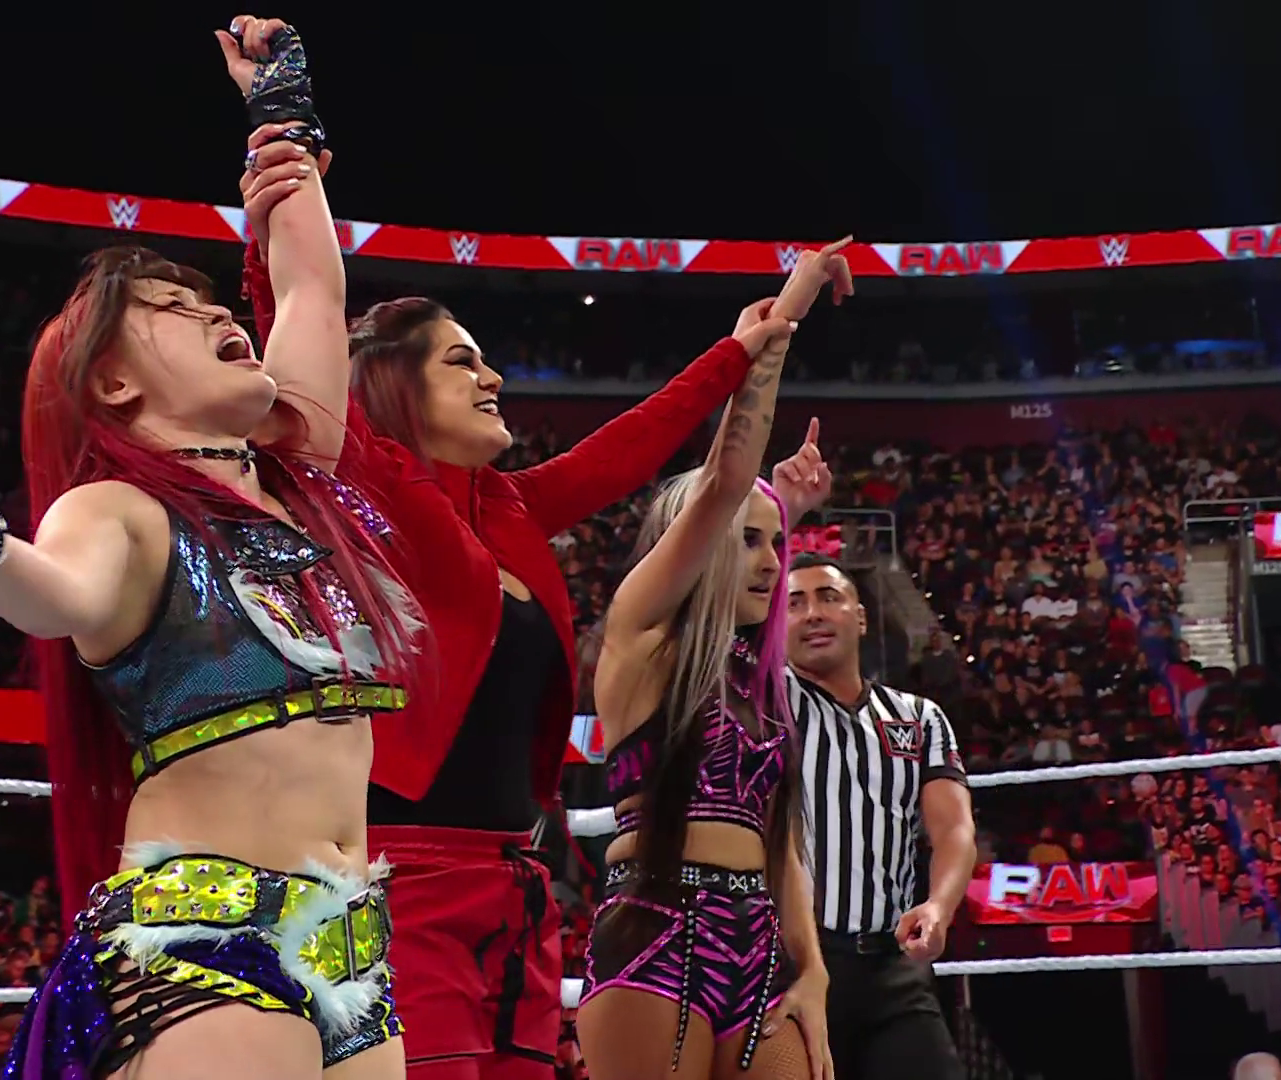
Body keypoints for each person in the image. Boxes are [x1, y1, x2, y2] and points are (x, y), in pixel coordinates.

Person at [232, 38, 851, 1076]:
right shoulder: (374, 481)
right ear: (389, 388)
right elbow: (298, 328)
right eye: (462, 362)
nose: (493, 378)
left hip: (516, 884)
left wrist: (756, 339)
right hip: (399, 879)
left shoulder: (513, 508)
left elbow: (637, 445)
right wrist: (280, 123)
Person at [0, 26, 415, 1080]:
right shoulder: (120, 509)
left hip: (351, 946)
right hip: (205, 934)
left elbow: (311, 291)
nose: (216, 309)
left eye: (209, 301)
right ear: (112, 383)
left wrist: (280, 109)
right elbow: (57, 598)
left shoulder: (299, 481)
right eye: (173, 312)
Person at [576, 242, 851, 1080]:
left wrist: (813, 970)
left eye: (778, 543)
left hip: (760, 941)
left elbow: (782, 842)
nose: (773, 563)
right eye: (750, 545)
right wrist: (784, 318)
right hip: (657, 925)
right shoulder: (644, 638)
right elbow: (729, 479)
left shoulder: (757, 685)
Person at [781, 554, 975, 1080]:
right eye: (794, 604)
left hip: (892, 963)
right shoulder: (766, 704)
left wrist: (939, 907)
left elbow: (953, 828)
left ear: (861, 617)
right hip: (793, 961)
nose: (813, 614)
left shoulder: (920, 718)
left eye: (828, 597)